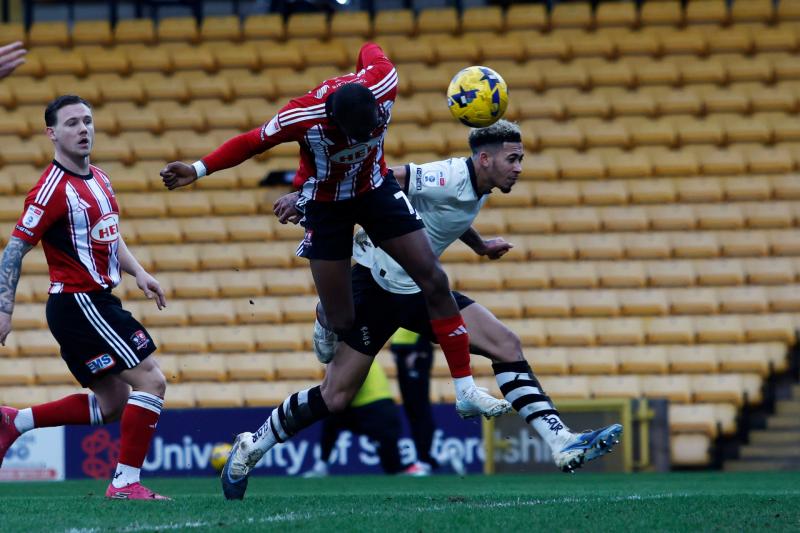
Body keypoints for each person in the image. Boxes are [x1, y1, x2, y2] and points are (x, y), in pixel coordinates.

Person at [161, 41, 509, 485]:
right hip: (326, 206)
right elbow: (251, 142)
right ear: (334, 121)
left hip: (376, 192)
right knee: (343, 320)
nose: (366, 139)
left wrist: (359, 68)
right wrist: (198, 169)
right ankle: (325, 315)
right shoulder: (300, 116)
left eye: (372, 131)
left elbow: (371, 48)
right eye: (356, 135)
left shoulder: (383, 81)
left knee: (433, 277)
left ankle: (465, 390)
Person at [272, 120, 623, 476]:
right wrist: (306, 198)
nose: (519, 168)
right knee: (335, 396)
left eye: (521, 160)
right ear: (485, 159)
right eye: (513, 159)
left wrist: (480, 245)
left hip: (418, 290)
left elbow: (448, 215)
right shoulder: (448, 175)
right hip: (376, 285)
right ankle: (256, 441)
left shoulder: (481, 185)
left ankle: (560, 441)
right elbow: (383, 180)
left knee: (506, 345)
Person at [0, 95, 169, 500]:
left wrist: (139, 271)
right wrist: (4, 309)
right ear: (52, 133)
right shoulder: (49, 191)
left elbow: (110, 234)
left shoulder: (100, 179)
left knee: (112, 404)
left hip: (94, 302)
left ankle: (14, 422)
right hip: (80, 303)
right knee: (152, 380)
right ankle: (125, 483)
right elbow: (13, 250)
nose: (83, 129)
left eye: (87, 121)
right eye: (72, 123)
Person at [302, 361, 424, 477]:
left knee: (331, 418)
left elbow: (341, 390)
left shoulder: (348, 358)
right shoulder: (361, 354)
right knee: (392, 467)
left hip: (373, 411)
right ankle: (409, 468)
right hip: (384, 410)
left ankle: (322, 465)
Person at [389, 328, 439, 474]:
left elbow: (425, 315)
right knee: (412, 410)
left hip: (415, 354)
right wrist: (393, 349)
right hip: (403, 355)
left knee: (420, 410)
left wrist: (419, 350)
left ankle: (425, 458)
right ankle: (424, 459)